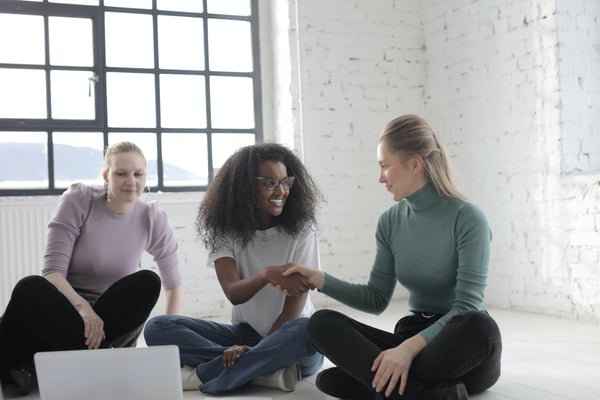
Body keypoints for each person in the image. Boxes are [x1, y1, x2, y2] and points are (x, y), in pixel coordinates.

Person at [281, 114, 502, 400]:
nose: (380, 177)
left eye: (385, 166)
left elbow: (468, 304)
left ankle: (392, 387)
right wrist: (320, 280)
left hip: (462, 344)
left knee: (478, 325)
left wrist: (407, 350)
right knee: (321, 322)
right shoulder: (390, 221)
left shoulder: (468, 217)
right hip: (413, 333)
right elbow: (375, 298)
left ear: (415, 163)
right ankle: (426, 394)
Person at [0, 141, 183, 395]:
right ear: (106, 176)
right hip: (68, 308)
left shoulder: (151, 216)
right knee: (29, 287)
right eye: (121, 173)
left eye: (138, 174)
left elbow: (173, 284)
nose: (131, 181)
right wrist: (83, 309)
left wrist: (166, 338)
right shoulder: (79, 199)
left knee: (148, 281)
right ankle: (98, 361)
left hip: (110, 319)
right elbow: (52, 272)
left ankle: (76, 361)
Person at [143, 142, 324, 394]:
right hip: (245, 334)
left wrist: (257, 350)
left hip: (288, 339)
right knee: (158, 327)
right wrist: (266, 275)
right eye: (269, 183)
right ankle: (260, 372)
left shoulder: (303, 230)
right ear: (246, 187)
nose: (281, 191)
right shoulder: (225, 230)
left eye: (286, 182)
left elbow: (293, 311)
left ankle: (209, 372)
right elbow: (233, 292)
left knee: (308, 329)